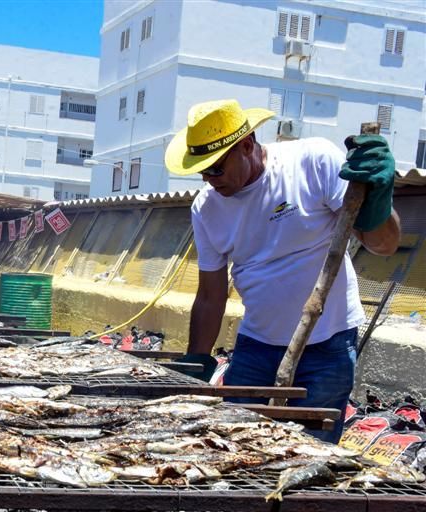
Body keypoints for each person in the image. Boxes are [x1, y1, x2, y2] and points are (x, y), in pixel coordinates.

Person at [165, 99, 401, 443]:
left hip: (328, 344)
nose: (208, 179)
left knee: (312, 449)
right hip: (256, 346)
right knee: (236, 446)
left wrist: (377, 201)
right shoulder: (206, 207)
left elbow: (384, 245)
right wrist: (199, 358)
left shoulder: (313, 162)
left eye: (215, 168)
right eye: (201, 170)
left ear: (247, 146)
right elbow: (210, 294)